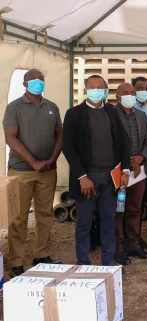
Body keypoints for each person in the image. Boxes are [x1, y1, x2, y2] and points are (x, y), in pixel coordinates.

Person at [62, 75, 130, 266]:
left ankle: (108, 262)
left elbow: (123, 142)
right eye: (92, 87)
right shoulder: (74, 114)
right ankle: (83, 262)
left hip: (110, 176)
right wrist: (82, 176)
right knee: (84, 222)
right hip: (86, 177)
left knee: (108, 220)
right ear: (85, 90)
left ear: (106, 90)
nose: (96, 90)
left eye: (100, 87)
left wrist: (125, 171)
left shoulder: (111, 111)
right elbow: (68, 148)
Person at [3, 69, 63, 277]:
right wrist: (34, 162)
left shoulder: (52, 107)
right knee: (18, 217)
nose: (38, 83)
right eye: (33, 80)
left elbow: (59, 136)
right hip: (21, 171)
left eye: (41, 80)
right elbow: (10, 138)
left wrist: (51, 160)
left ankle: (41, 255)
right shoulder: (14, 107)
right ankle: (17, 262)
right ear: (25, 83)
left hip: (48, 171)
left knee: (45, 214)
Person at [113, 83, 147, 265]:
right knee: (119, 209)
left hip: (138, 171)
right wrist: (128, 162)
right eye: (125, 93)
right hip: (119, 171)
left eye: (132, 93)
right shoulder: (110, 115)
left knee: (135, 208)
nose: (130, 96)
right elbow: (108, 143)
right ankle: (119, 246)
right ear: (117, 96)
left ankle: (133, 243)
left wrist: (140, 157)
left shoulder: (142, 115)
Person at [132, 76, 147, 250]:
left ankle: (136, 236)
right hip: (126, 163)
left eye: (146, 88)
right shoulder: (125, 108)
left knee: (138, 202)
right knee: (123, 203)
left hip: (143, 161)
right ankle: (122, 238)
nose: (143, 91)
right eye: (140, 88)